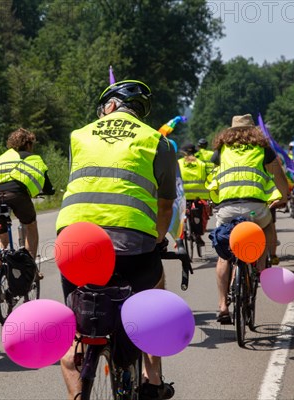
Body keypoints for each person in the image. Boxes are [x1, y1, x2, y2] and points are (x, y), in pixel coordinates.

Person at [55, 80, 177, 400]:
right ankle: (153, 379)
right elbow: (166, 203)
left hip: (75, 243)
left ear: (108, 107)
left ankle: (78, 364)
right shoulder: (158, 142)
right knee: (151, 300)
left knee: (77, 334)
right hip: (132, 245)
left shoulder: (78, 136)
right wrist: (159, 238)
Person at [208, 114, 288, 324]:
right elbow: (279, 177)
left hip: (227, 209)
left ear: (230, 131)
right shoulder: (263, 150)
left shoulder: (221, 150)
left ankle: (223, 305)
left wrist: (214, 199)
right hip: (255, 208)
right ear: (254, 130)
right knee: (266, 225)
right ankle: (260, 270)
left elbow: (213, 176)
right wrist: (283, 198)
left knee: (224, 255)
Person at [0, 128, 54, 259]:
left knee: (2, 237)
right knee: (31, 225)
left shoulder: (1, 158)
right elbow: (48, 187)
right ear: (29, 144)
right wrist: (49, 191)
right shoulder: (34, 159)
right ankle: (30, 266)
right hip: (16, 195)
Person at [178, 143, 211, 244]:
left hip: (183, 195)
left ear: (183, 153)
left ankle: (180, 233)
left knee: (179, 213)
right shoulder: (201, 163)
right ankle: (198, 235)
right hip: (199, 196)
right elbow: (209, 178)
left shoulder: (178, 163)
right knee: (199, 215)